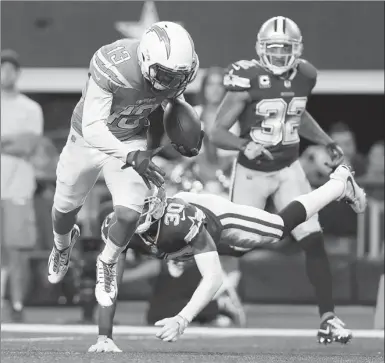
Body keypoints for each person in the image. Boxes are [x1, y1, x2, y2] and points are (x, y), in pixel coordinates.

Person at [88, 164, 366, 352]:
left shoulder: (180, 221)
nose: (132, 212)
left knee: (277, 228)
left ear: (156, 202)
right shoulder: (116, 225)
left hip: (214, 216)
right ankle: (178, 255)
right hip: (176, 240)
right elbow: (109, 281)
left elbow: (214, 277)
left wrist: (182, 319)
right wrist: (104, 336)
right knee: (190, 251)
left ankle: (338, 184)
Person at [209, 16, 349, 342]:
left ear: (297, 50)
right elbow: (215, 132)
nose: (278, 55)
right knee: (240, 244)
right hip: (252, 172)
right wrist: (245, 144)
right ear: (261, 49)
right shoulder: (248, 79)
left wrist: (325, 140)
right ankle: (185, 248)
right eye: (273, 48)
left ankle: (328, 318)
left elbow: (296, 114)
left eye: (285, 49)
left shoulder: (305, 76)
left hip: (289, 170)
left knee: (313, 241)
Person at [47, 22, 203, 308]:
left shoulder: (172, 72)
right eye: (165, 75)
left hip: (131, 137)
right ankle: (61, 245)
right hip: (87, 139)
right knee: (64, 208)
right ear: (145, 61)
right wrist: (131, 158)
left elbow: (173, 100)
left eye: (177, 77)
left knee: (130, 215)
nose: (169, 83)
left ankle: (107, 262)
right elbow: (94, 128)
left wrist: (187, 128)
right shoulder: (114, 64)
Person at [1, 49, 44, 322]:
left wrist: (11, 142)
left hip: (17, 189)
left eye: (10, 68)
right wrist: (11, 141)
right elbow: (19, 143)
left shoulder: (30, 108)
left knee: (17, 251)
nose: (5, 73)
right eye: (1, 67)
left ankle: (16, 305)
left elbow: (29, 145)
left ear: (18, 73)